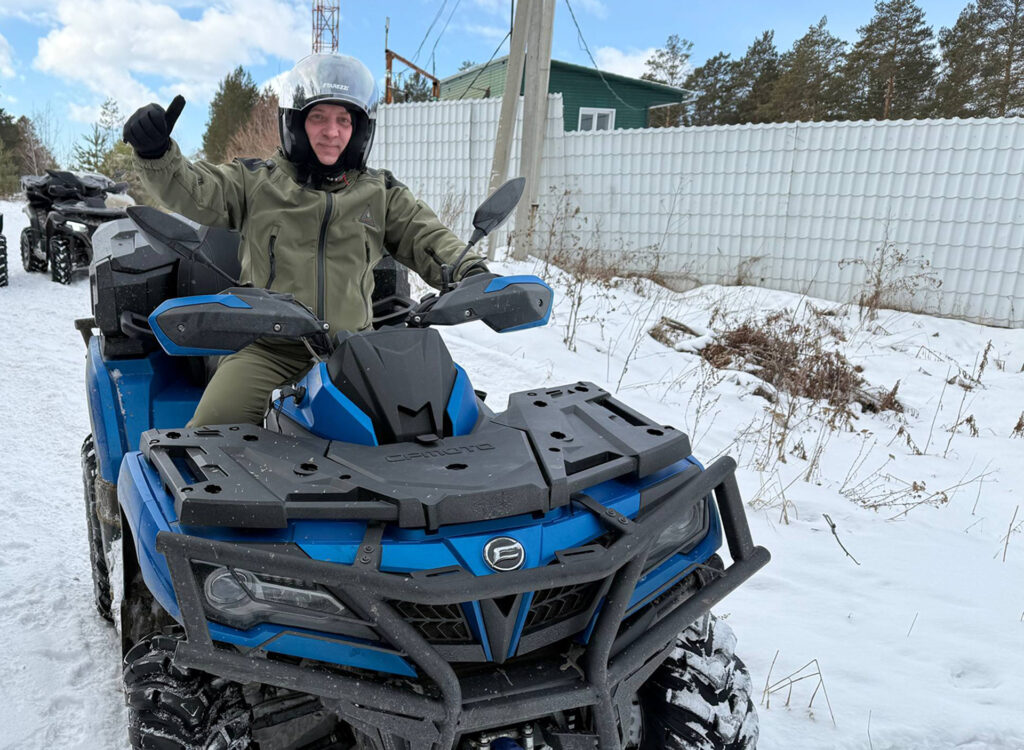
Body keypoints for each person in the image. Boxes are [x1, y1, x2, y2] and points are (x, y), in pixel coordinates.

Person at [122, 53, 488, 427]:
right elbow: (194, 190)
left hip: (356, 354)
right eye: (319, 117)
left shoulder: (381, 193)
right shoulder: (256, 182)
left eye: (344, 120)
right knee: (208, 441)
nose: (332, 132)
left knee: (437, 432)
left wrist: (470, 270)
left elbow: (425, 234)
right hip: (268, 350)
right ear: (296, 123)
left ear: (359, 129)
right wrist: (157, 154)